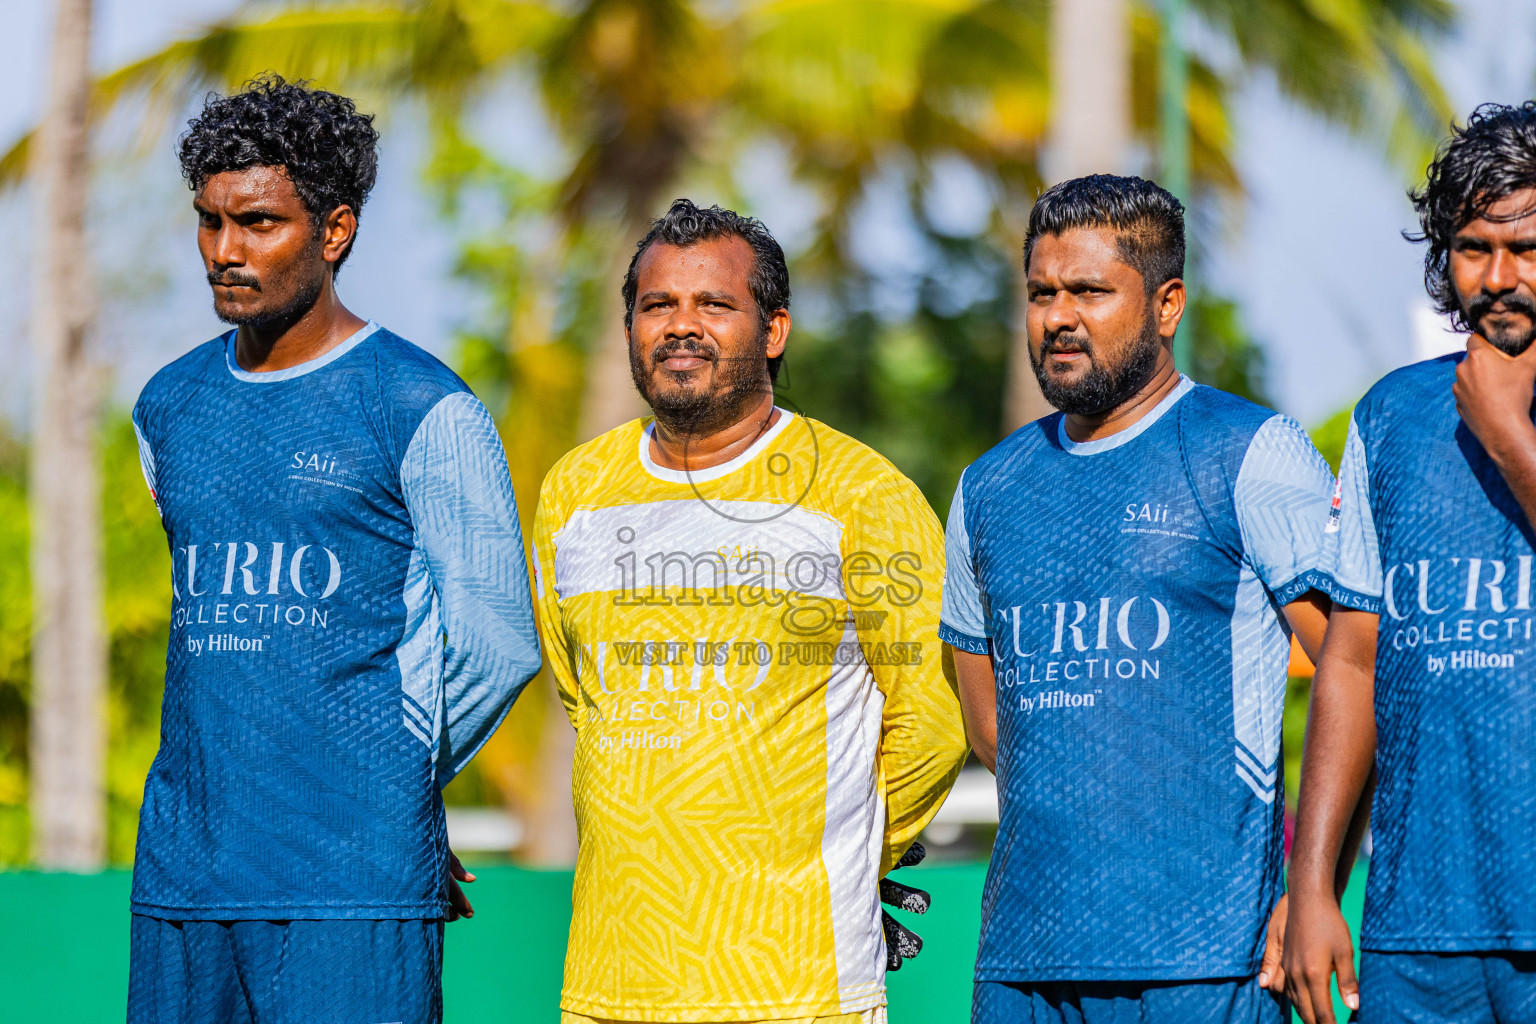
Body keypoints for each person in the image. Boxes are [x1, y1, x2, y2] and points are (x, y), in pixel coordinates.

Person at [126, 75, 541, 1023]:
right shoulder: (166, 407)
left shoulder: (420, 404)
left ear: (336, 230)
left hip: (347, 882)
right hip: (184, 876)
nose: (225, 252)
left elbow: (498, 640)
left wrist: (392, 785)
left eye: (259, 223)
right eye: (210, 222)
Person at [531, 198, 968, 1024]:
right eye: (657, 305)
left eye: (714, 305)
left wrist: (848, 860)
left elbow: (933, 720)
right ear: (630, 326)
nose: (681, 327)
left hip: (797, 985)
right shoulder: (574, 494)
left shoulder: (861, 493)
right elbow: (584, 698)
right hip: (608, 982)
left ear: (773, 330)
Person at [941, 174, 1345, 1024]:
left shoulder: (1251, 452)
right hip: (1022, 962)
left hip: (1211, 961)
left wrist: (1313, 891)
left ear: (1167, 305)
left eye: (1090, 291)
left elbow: (1358, 674)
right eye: (1041, 292)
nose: (1058, 316)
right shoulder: (987, 488)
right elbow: (989, 721)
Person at [1285, 102, 1536, 1024]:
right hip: (1415, 931)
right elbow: (1351, 662)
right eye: (1474, 248)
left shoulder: (1503, 429)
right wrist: (1314, 890)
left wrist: (1512, 442)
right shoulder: (1390, 416)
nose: (1500, 277)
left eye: (1528, 248)